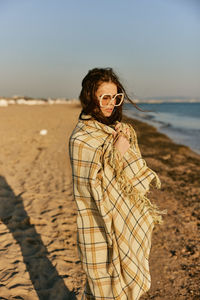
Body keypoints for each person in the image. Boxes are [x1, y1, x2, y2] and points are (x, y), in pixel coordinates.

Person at [68, 67, 166, 300]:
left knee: (116, 287)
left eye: (116, 97)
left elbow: (134, 184)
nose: (111, 103)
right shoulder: (81, 139)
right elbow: (94, 187)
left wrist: (119, 146)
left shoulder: (111, 132)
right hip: (95, 224)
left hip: (120, 222)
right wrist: (117, 154)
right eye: (105, 97)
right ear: (90, 97)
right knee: (102, 283)